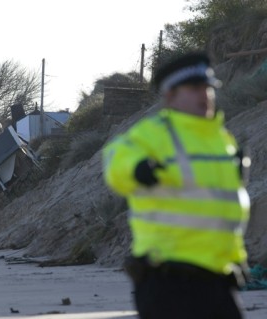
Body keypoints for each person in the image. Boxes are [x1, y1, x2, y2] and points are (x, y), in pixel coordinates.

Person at [102, 52, 251, 319]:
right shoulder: (154, 133)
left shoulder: (222, 140)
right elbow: (115, 159)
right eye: (194, 89)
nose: (204, 95)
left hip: (218, 276)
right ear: (170, 96)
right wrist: (137, 169)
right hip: (168, 281)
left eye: (208, 88)